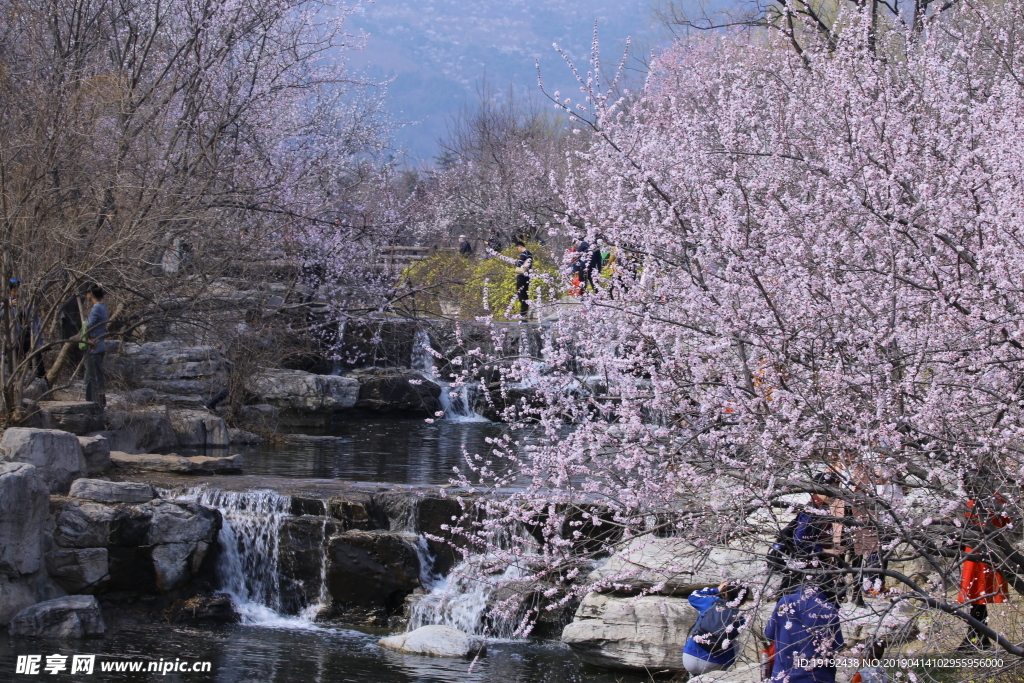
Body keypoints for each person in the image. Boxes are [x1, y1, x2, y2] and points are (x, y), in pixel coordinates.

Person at [957, 494, 1010, 650]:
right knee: (977, 600)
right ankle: (979, 638)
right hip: (986, 550)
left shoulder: (978, 502)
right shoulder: (998, 500)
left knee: (977, 598)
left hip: (979, 550)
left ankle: (975, 638)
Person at [765, 582, 845, 683]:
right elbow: (838, 645)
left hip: (784, 674)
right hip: (820, 677)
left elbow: (769, 634)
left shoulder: (785, 602)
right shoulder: (830, 609)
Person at [683, 580, 749, 676]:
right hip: (714, 663)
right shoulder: (741, 619)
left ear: (725, 593)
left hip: (689, 658)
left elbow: (693, 596)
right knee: (735, 644)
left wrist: (716, 590)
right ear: (744, 600)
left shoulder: (711, 602)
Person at [82, 285, 108, 408]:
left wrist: (87, 338)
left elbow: (89, 325)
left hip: (94, 346)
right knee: (89, 376)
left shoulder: (97, 308)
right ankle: (88, 401)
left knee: (95, 377)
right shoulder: (103, 307)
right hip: (99, 344)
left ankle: (99, 403)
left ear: (91, 293)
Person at [513, 241, 532, 319]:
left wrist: (513, 261)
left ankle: (523, 313)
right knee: (524, 293)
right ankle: (524, 311)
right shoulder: (530, 253)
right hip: (527, 276)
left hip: (522, 276)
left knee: (521, 293)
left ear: (520, 246)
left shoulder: (524, 254)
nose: (518, 250)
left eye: (517, 248)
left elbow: (519, 264)